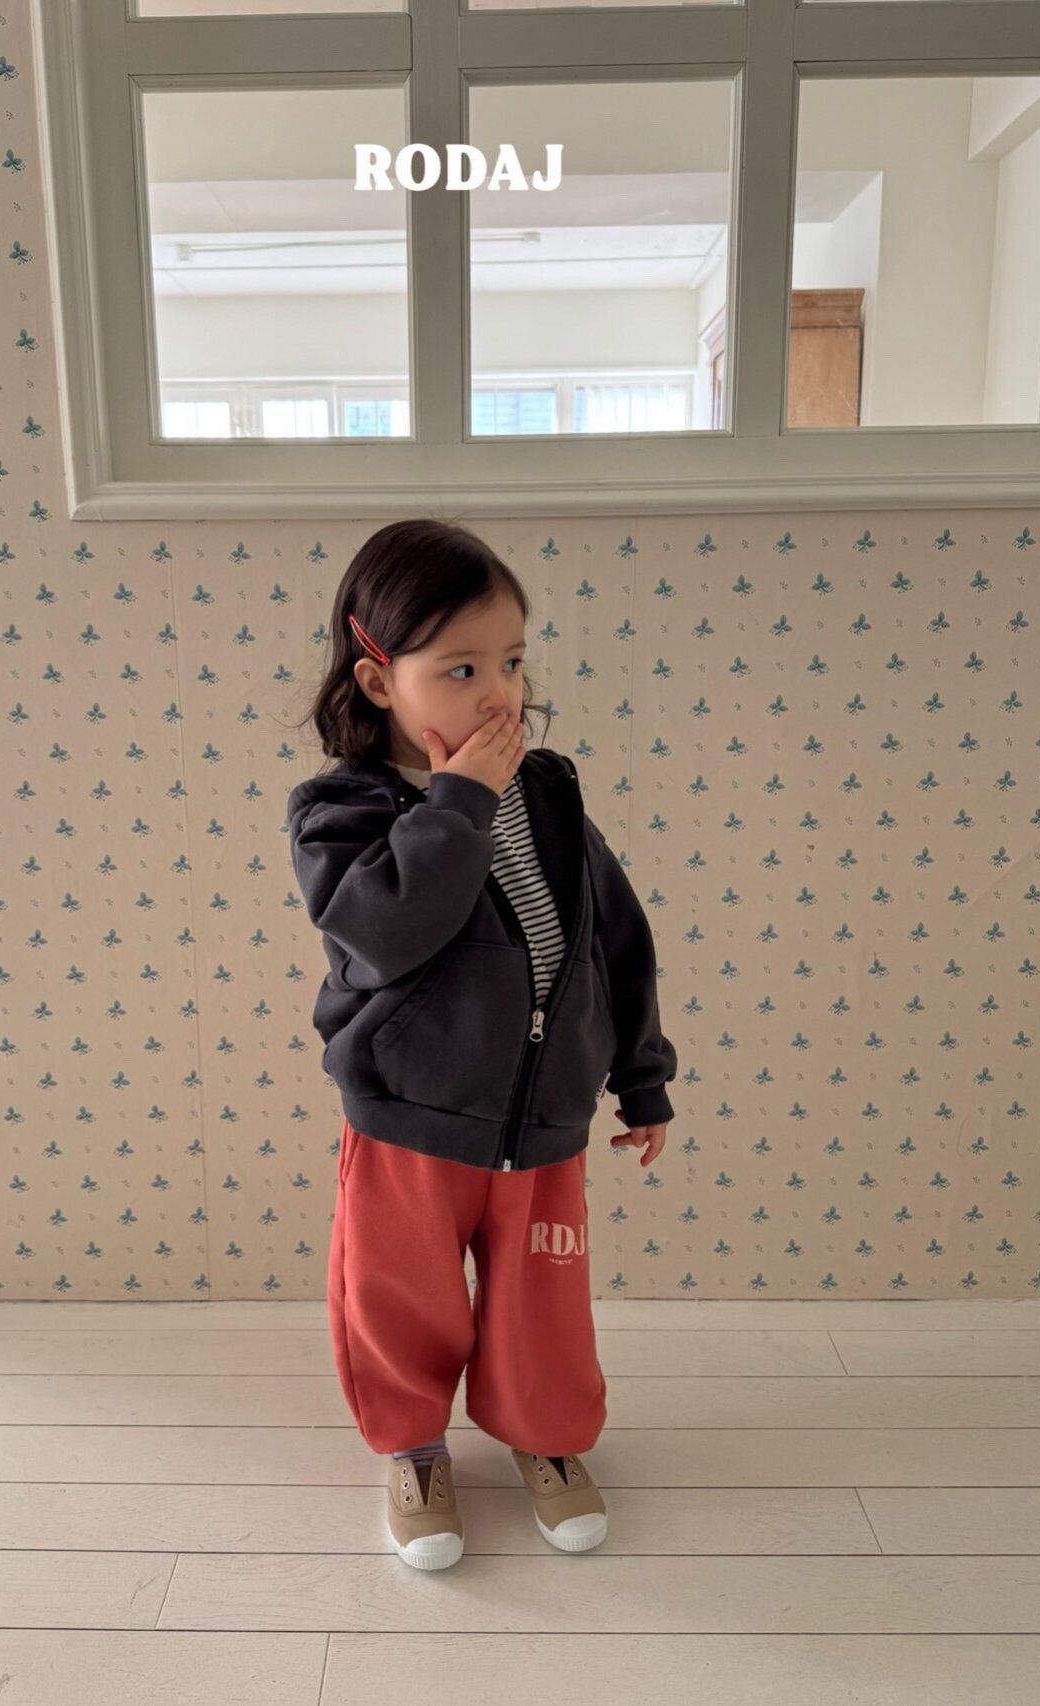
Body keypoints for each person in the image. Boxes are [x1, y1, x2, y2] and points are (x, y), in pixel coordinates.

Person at [286, 518, 677, 1570]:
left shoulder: (547, 792)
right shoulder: (340, 810)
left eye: (511, 661)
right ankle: (413, 1448)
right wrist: (460, 797)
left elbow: (614, 937)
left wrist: (641, 1077)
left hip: (542, 1121)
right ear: (380, 682)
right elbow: (382, 934)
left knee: (541, 1307)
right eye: (460, 669)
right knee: (397, 1302)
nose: (498, 694)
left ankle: (544, 1436)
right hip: (408, 1123)